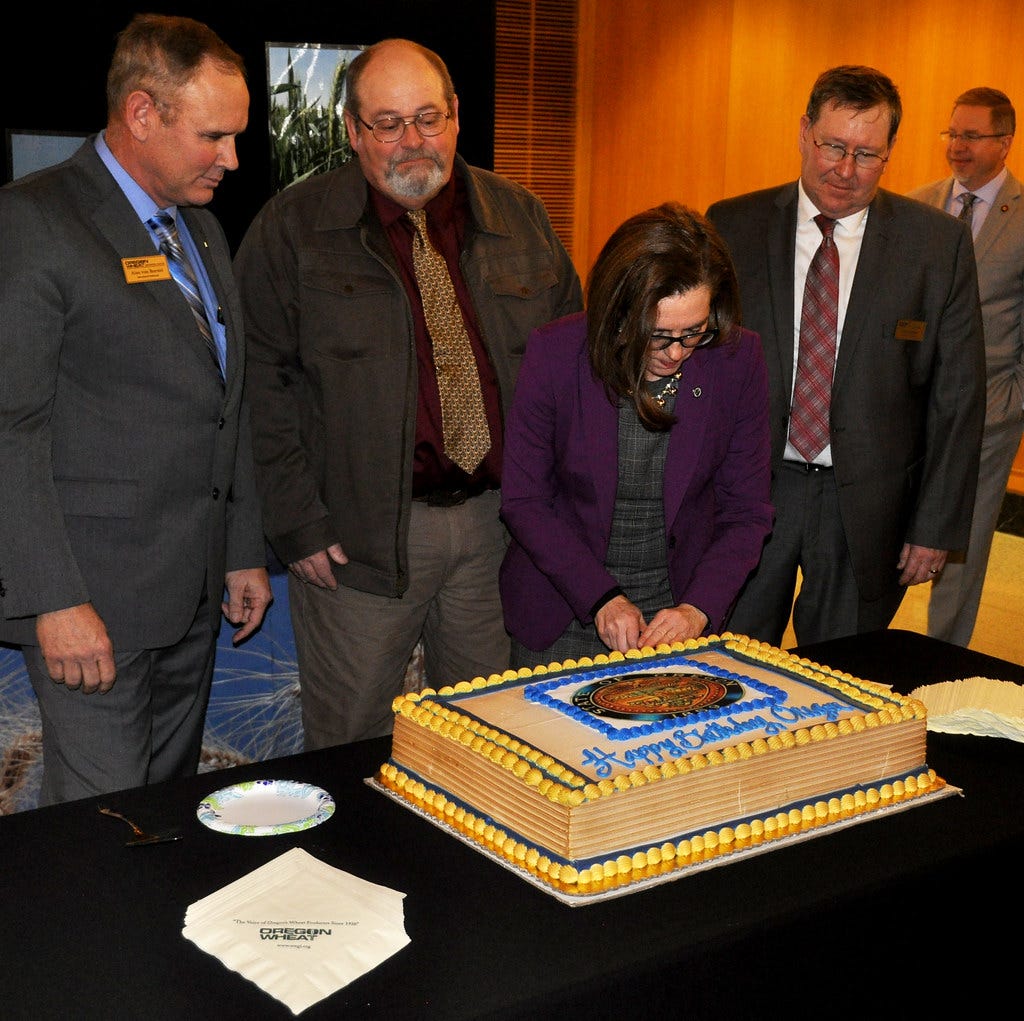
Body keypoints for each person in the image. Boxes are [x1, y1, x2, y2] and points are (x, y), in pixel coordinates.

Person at [234, 38, 582, 748]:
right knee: (351, 741)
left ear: (457, 117)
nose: (413, 141)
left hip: (496, 532)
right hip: (356, 544)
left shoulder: (522, 218)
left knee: (490, 737)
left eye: (428, 117)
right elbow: (258, 388)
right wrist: (297, 521)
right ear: (353, 131)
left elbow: (570, 371)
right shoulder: (293, 230)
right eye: (388, 124)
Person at [0, 14, 272, 806]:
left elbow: (230, 401)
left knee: (165, 815)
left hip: (189, 599)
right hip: (92, 610)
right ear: (143, 114)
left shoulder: (206, 231)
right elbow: (9, 429)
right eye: (214, 136)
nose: (232, 158)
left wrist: (241, 547)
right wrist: (51, 598)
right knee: (99, 833)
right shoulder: (34, 221)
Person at [706, 65, 986, 647]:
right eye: (833, 145)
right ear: (805, 131)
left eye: (866, 154)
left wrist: (933, 527)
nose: (845, 169)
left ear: (890, 154)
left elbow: (956, 399)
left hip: (867, 509)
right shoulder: (733, 226)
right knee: (727, 662)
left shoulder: (936, 245)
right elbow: (701, 368)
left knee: (843, 680)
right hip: (752, 491)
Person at [499, 203, 772, 666]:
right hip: (566, 608)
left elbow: (746, 511)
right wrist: (600, 598)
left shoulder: (736, 360)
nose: (677, 352)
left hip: (681, 613)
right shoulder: (557, 354)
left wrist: (697, 608)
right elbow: (525, 501)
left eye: (694, 332)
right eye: (659, 334)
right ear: (618, 312)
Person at [908, 88, 1023, 647]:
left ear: (1005, 142)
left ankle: (939, 658)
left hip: (990, 411)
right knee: (887, 529)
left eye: (971, 136)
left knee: (962, 546)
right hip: (909, 406)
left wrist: (1015, 400)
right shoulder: (915, 205)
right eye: (951, 133)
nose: (956, 146)